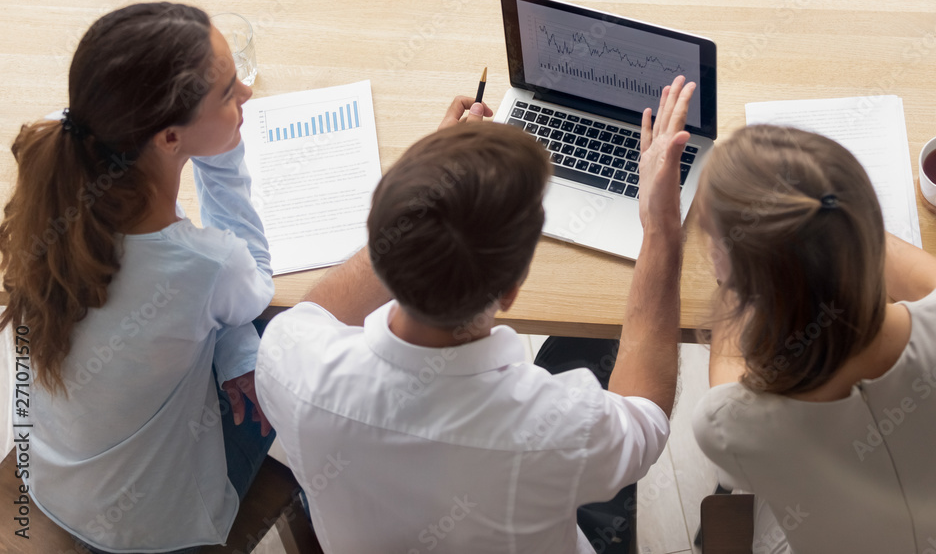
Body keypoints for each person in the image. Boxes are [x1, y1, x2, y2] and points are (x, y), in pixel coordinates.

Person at [255, 77, 696, 553]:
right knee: (593, 349)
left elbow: (320, 309)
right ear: (510, 291)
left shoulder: (290, 362)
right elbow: (646, 419)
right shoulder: (562, 426)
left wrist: (426, 187)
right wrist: (660, 226)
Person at [0, 3, 275, 553]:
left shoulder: (53, 187)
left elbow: (202, 299)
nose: (246, 92)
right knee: (295, 339)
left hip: (52, 480)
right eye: (227, 93)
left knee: (238, 335)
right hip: (158, 527)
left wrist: (233, 340)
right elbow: (252, 281)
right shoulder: (207, 264)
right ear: (170, 139)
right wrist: (223, 158)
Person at [691, 125, 936, 553]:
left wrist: (736, 280)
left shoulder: (729, 426)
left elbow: (728, 378)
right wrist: (831, 224)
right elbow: (928, 279)